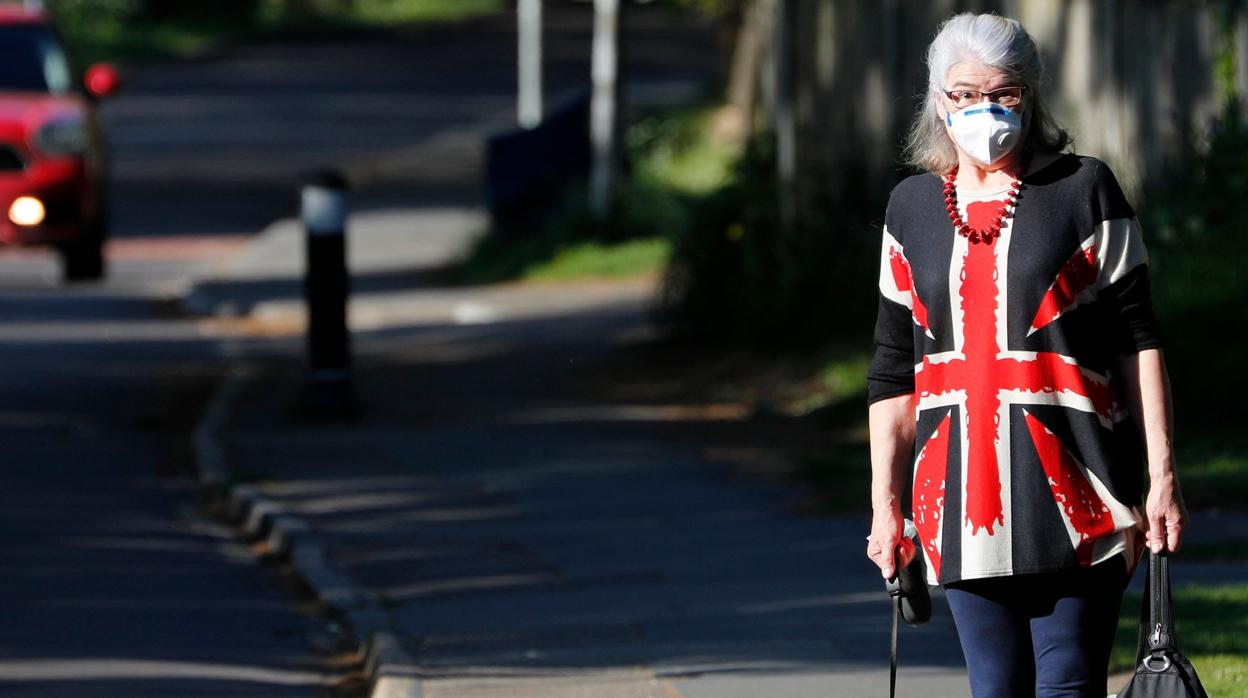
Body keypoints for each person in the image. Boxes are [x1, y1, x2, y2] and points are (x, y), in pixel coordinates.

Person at [864, 13, 1189, 698]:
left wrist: (1162, 475)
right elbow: (895, 372)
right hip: (957, 503)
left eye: (1003, 93)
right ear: (937, 100)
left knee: (1068, 685)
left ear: (1031, 95)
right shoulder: (912, 209)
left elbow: (1138, 342)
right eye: (963, 93)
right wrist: (884, 506)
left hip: (1084, 496)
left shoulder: (1084, 190)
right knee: (996, 688)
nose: (983, 109)